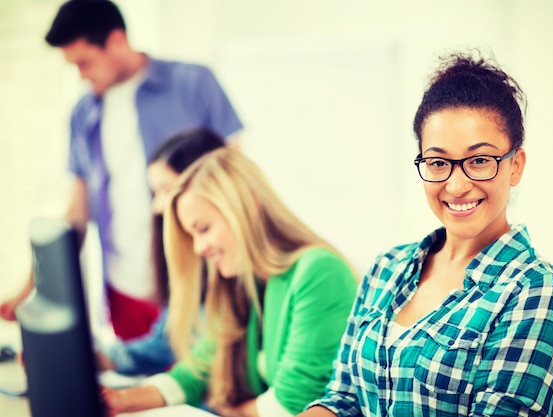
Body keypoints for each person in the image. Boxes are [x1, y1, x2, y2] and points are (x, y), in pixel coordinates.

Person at [299, 51, 553, 416]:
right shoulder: (387, 267)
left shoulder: (536, 292)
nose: (457, 184)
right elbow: (344, 399)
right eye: (438, 162)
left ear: (515, 166)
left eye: (480, 160)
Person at [0, 0, 243, 342]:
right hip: (125, 291)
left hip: (200, 283)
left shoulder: (194, 84)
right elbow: (76, 213)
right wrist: (31, 286)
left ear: (116, 41)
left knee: (198, 385)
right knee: (134, 381)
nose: (81, 75)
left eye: (84, 62)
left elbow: (237, 180)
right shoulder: (83, 114)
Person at [102, 148, 358, 417]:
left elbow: (292, 403)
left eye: (203, 229)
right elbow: (196, 372)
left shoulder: (318, 271)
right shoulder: (243, 284)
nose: (199, 248)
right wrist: (119, 400)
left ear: (246, 205)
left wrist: (232, 412)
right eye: (193, 236)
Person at [96, 127, 225, 376]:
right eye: (155, 193)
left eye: (167, 190)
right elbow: (163, 344)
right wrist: (95, 358)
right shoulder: (193, 262)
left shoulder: (232, 265)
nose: (157, 207)